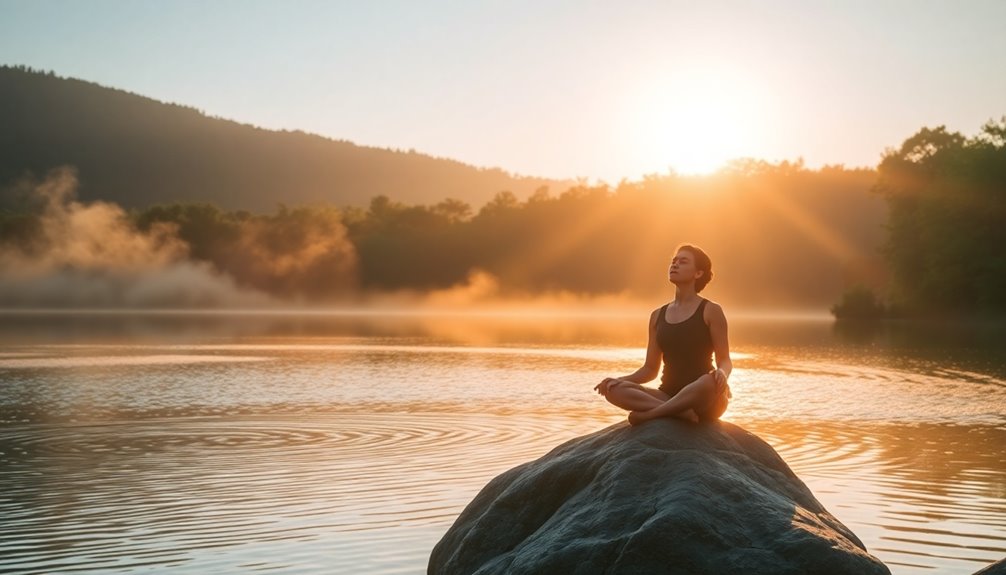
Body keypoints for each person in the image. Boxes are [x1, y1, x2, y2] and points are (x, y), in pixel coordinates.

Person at [594, 244, 732, 426]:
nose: (675, 265)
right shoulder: (657, 316)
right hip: (666, 394)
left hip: (703, 396)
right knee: (614, 390)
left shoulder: (711, 310)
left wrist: (721, 373)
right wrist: (617, 380)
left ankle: (652, 414)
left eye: (683, 262)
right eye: (673, 261)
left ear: (698, 273)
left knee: (708, 380)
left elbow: (725, 360)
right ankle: (679, 412)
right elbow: (650, 369)